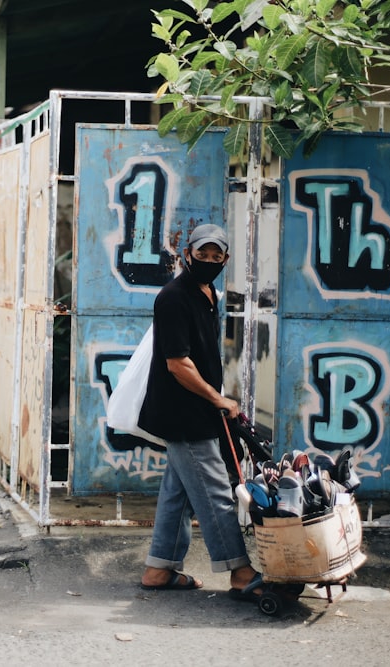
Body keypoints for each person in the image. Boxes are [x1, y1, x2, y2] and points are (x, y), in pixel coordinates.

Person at [137, 223, 262, 600]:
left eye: (216, 256)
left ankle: (159, 569)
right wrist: (218, 399)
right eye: (201, 254)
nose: (208, 261)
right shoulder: (174, 297)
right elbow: (178, 364)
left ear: (225, 258)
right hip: (183, 413)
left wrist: (216, 400)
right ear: (186, 254)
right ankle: (240, 572)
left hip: (196, 410)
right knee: (215, 494)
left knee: (178, 492)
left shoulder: (209, 293)